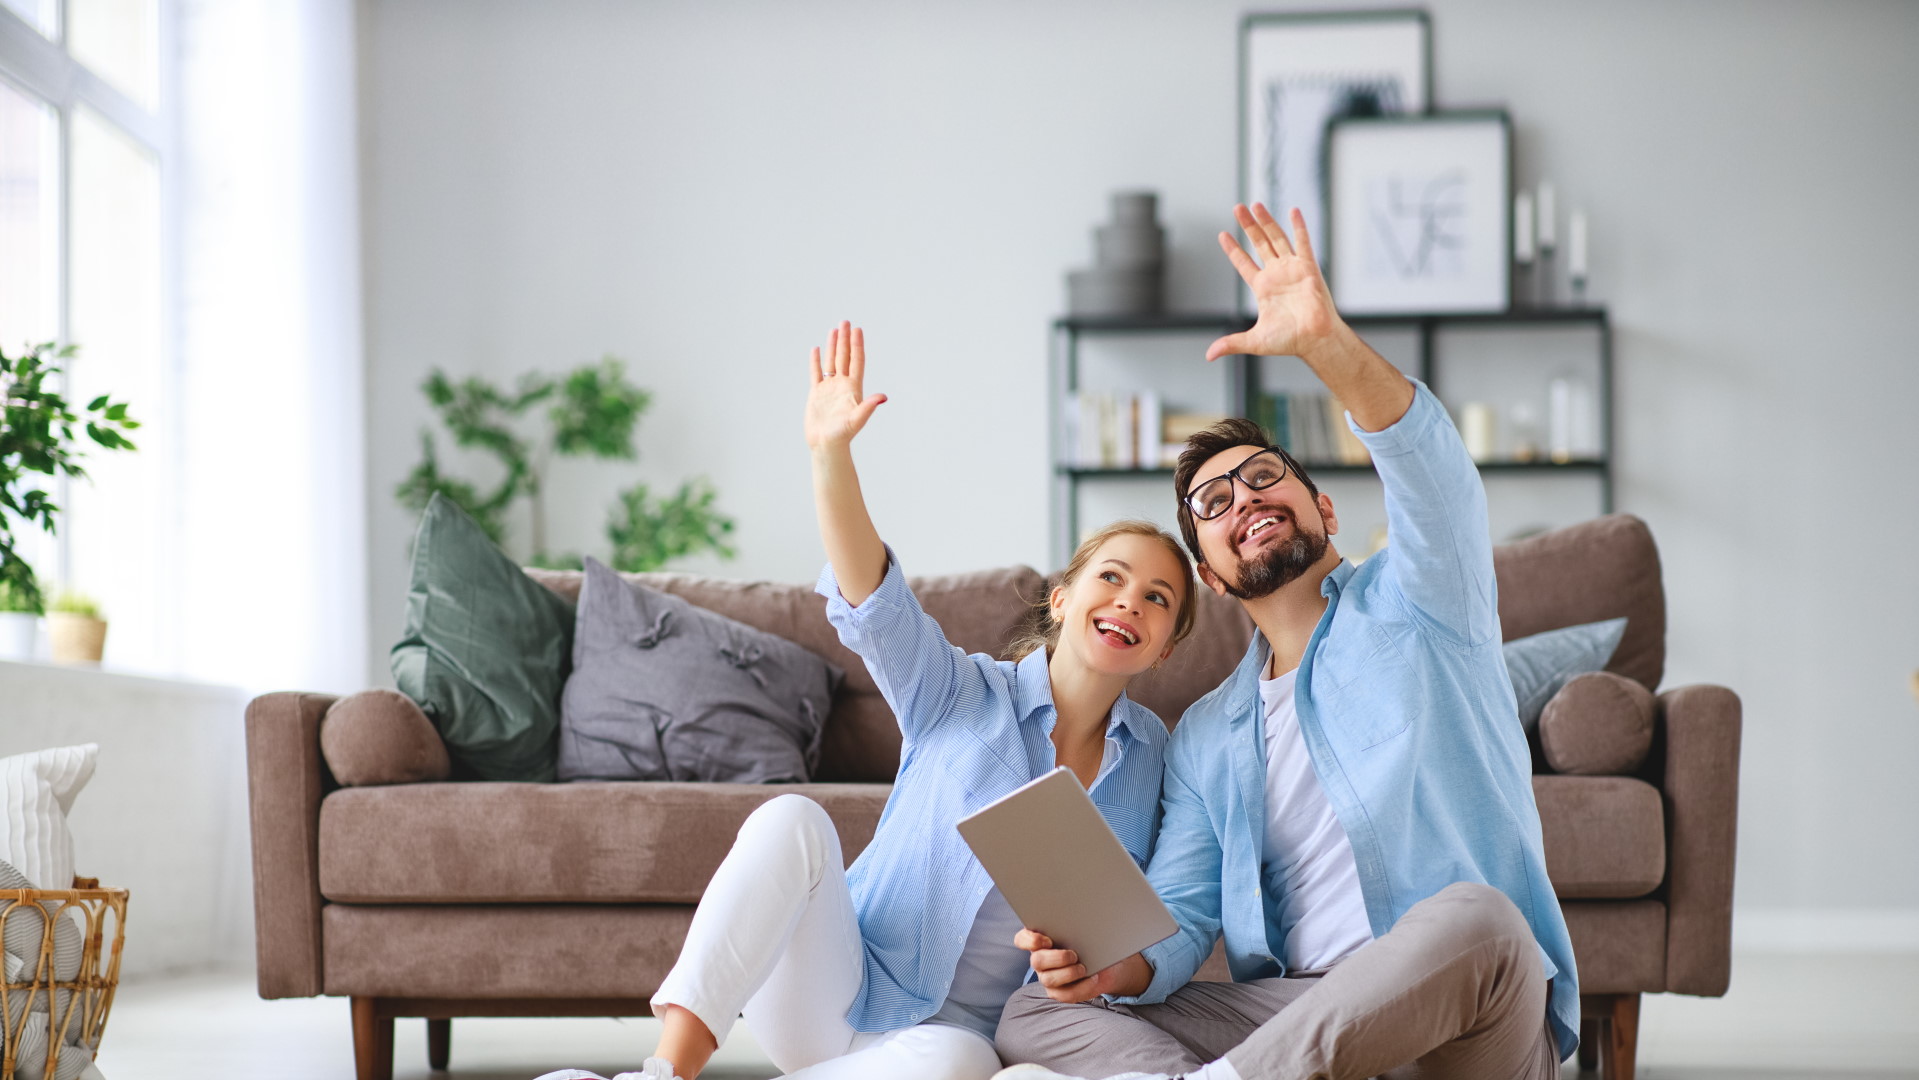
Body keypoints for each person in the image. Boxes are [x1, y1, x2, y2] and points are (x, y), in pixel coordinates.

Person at [991, 204, 1579, 1080]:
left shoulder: (1423, 598)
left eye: (1264, 477)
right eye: (1214, 506)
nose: (1246, 501)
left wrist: (1325, 345)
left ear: (1325, 510)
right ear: (1214, 578)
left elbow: (1434, 474)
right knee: (1037, 1010)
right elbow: (1183, 916)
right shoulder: (1206, 734)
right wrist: (1116, 968)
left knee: (1482, 921)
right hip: (1306, 1024)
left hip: (1460, 1020)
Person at [537, 321, 1199, 1080]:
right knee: (793, 819)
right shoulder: (960, 691)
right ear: (1060, 599)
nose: (1129, 603)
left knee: (963, 1064)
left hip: (958, 1042)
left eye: (1156, 598)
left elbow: (1155, 918)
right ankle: (664, 1073)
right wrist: (830, 455)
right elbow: (873, 599)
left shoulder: (1155, 762)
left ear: (1167, 646)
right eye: (1110, 578)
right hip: (841, 988)